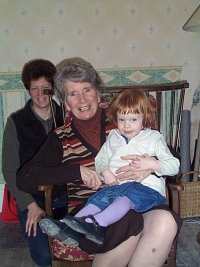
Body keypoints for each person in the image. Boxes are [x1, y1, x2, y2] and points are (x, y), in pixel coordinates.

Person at [17, 57, 181, 267]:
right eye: (73, 94)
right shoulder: (61, 137)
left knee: (164, 222)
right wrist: (76, 172)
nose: (82, 100)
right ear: (65, 102)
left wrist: (149, 165)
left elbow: (168, 154)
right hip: (93, 210)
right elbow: (25, 178)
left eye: (87, 89)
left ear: (97, 91)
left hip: (143, 199)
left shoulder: (124, 118)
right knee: (127, 220)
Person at [45, 89, 179, 245]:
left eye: (133, 119)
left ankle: (97, 225)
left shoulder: (154, 138)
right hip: (117, 187)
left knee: (127, 195)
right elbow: (101, 160)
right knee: (98, 199)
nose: (127, 125)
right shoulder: (113, 137)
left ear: (145, 118)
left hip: (148, 192)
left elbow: (174, 165)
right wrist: (105, 171)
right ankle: (70, 228)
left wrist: (152, 163)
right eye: (122, 119)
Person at [2, 59, 64, 267]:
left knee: (77, 247)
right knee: (44, 257)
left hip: (65, 197)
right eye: (34, 89)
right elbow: (10, 171)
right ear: (28, 90)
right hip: (31, 199)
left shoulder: (67, 116)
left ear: (53, 88)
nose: (40, 94)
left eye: (45, 88)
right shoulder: (16, 121)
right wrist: (29, 205)